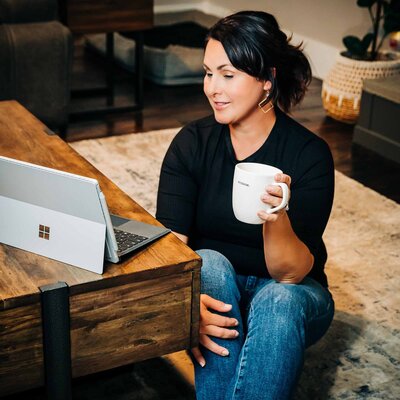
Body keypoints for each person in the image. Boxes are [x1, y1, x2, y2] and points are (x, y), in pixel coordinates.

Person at [156, 10, 335, 400]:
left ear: (267, 80)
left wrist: (276, 217)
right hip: (217, 288)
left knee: (277, 300)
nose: (212, 88)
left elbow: (291, 274)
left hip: (295, 293)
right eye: (208, 73)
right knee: (210, 262)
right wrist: (188, 306)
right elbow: (170, 251)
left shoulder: (309, 155)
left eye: (228, 74)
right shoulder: (192, 143)